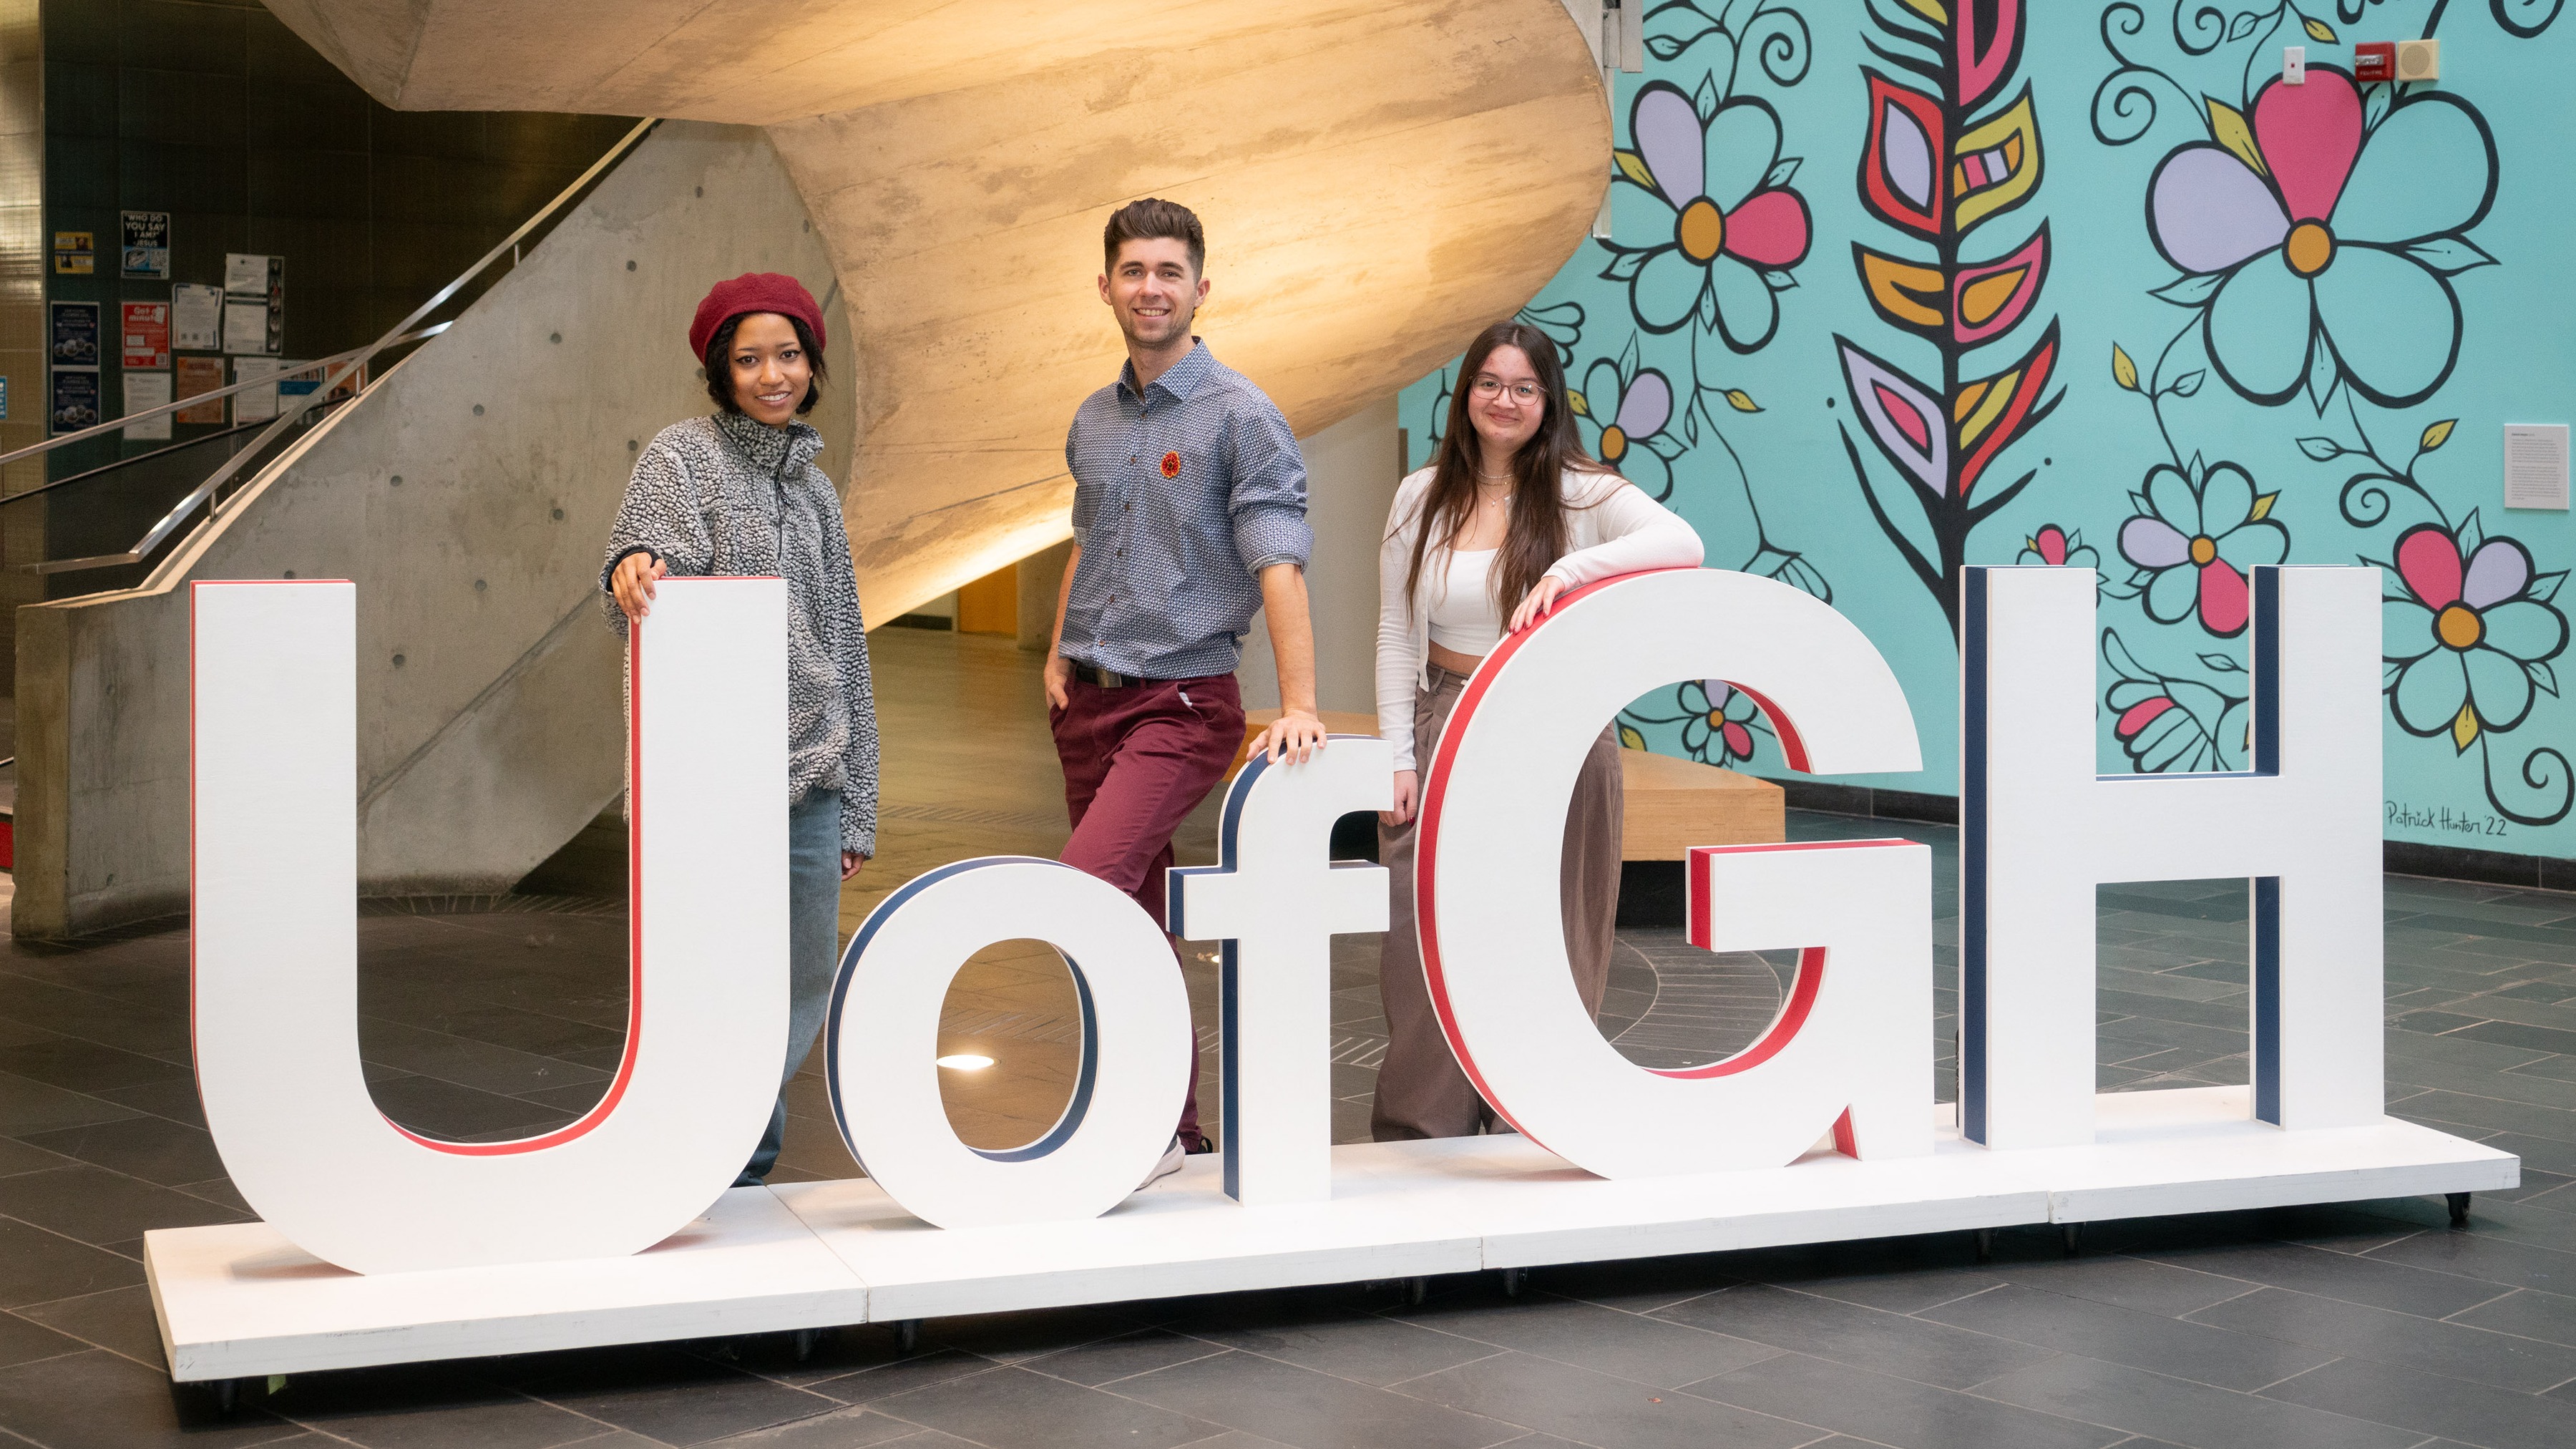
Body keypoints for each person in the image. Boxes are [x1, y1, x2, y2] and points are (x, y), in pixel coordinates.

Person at [1048, 198, 1327, 1187]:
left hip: (1181, 704)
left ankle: (1156, 1120)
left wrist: (1298, 701)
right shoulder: (1092, 416)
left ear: (1201, 288)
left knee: (1086, 889)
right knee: (1135, 913)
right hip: (1090, 699)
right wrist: (1057, 657)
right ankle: (1170, 1128)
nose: (1151, 288)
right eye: (1134, 271)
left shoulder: (1240, 416)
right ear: (1107, 287)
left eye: (1170, 271)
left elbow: (1278, 564)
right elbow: (1091, 544)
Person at [1370, 320, 1704, 1141]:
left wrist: (1567, 568)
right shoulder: (1421, 494)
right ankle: (1424, 1131)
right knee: (1426, 933)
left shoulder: (1581, 491)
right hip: (1445, 712)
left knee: (1556, 929)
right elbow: (1393, 634)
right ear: (1467, 394)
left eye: (1524, 387)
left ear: (1548, 400)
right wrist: (1394, 755)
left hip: (1558, 722)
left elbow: (1682, 543)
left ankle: (1533, 1123)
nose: (1505, 401)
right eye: (1490, 383)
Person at [600, 272, 877, 1187]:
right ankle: (701, 1150)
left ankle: (744, 1156)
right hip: (709, 780)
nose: (772, 375)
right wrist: (634, 570)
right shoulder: (680, 457)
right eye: (750, 358)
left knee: (801, 981)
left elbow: (845, 642)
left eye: (788, 355)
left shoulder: (819, 492)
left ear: (812, 363)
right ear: (720, 369)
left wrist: (859, 805)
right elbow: (642, 565)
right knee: (708, 978)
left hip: (811, 780)